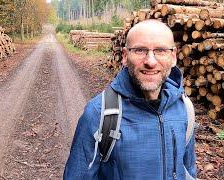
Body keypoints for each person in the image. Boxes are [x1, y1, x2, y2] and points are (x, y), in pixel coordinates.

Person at [63, 20, 196, 179]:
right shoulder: (100, 113)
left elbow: (188, 171)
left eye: (160, 50)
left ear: (173, 56)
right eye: (140, 50)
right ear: (125, 56)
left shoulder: (184, 108)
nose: (150, 61)